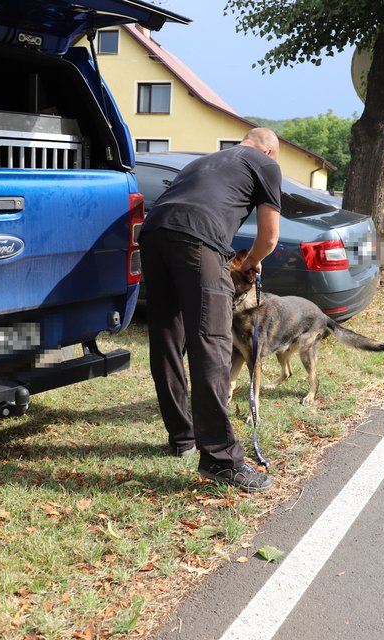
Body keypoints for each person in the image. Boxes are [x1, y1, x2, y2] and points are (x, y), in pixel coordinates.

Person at [138, 128, 282, 492]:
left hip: (154, 233)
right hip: (196, 240)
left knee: (168, 336)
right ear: (269, 149)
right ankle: (221, 459)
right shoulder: (265, 162)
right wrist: (251, 261)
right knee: (213, 343)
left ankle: (183, 438)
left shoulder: (203, 161)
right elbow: (269, 237)